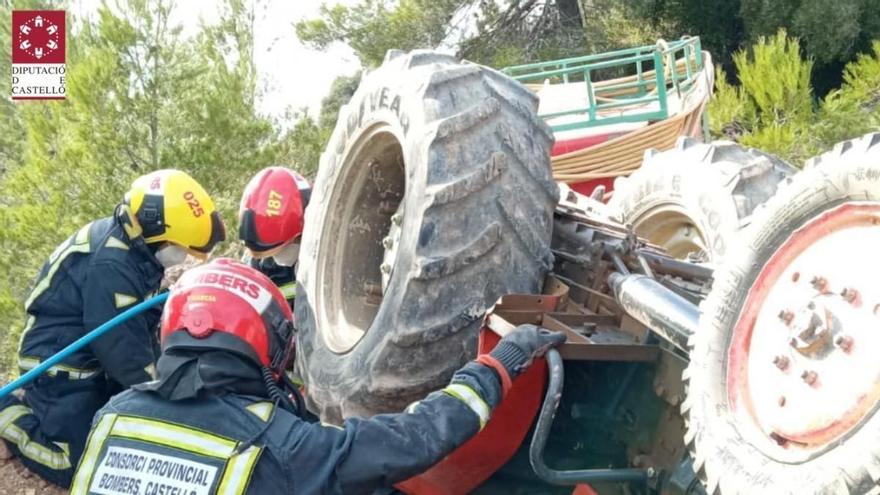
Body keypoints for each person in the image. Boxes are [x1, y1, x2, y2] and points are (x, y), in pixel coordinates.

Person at [69, 259, 565, 495]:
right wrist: (500, 364)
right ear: (265, 340)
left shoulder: (112, 418)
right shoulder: (278, 446)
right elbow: (415, 439)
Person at [0, 169, 225, 488]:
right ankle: (8, 415)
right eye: (180, 247)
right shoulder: (112, 264)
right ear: (157, 229)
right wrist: (170, 396)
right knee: (78, 466)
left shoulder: (136, 249)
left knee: (126, 432)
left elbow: (138, 315)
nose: (183, 257)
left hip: (95, 359)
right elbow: (123, 352)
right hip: (58, 368)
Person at [238, 166, 311, 307]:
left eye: (280, 250)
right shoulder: (260, 267)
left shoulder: (333, 248)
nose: (276, 257)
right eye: (270, 253)